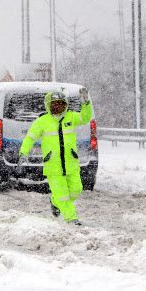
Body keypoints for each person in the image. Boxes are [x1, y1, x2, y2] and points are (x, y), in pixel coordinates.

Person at [17, 88, 92, 226]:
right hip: (53, 166)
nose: (57, 107)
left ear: (65, 105)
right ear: (48, 106)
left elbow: (85, 118)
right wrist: (23, 153)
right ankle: (72, 218)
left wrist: (85, 104)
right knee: (63, 195)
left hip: (71, 163)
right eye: (54, 104)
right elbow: (30, 138)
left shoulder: (71, 117)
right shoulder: (42, 121)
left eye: (60, 104)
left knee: (76, 190)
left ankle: (54, 201)